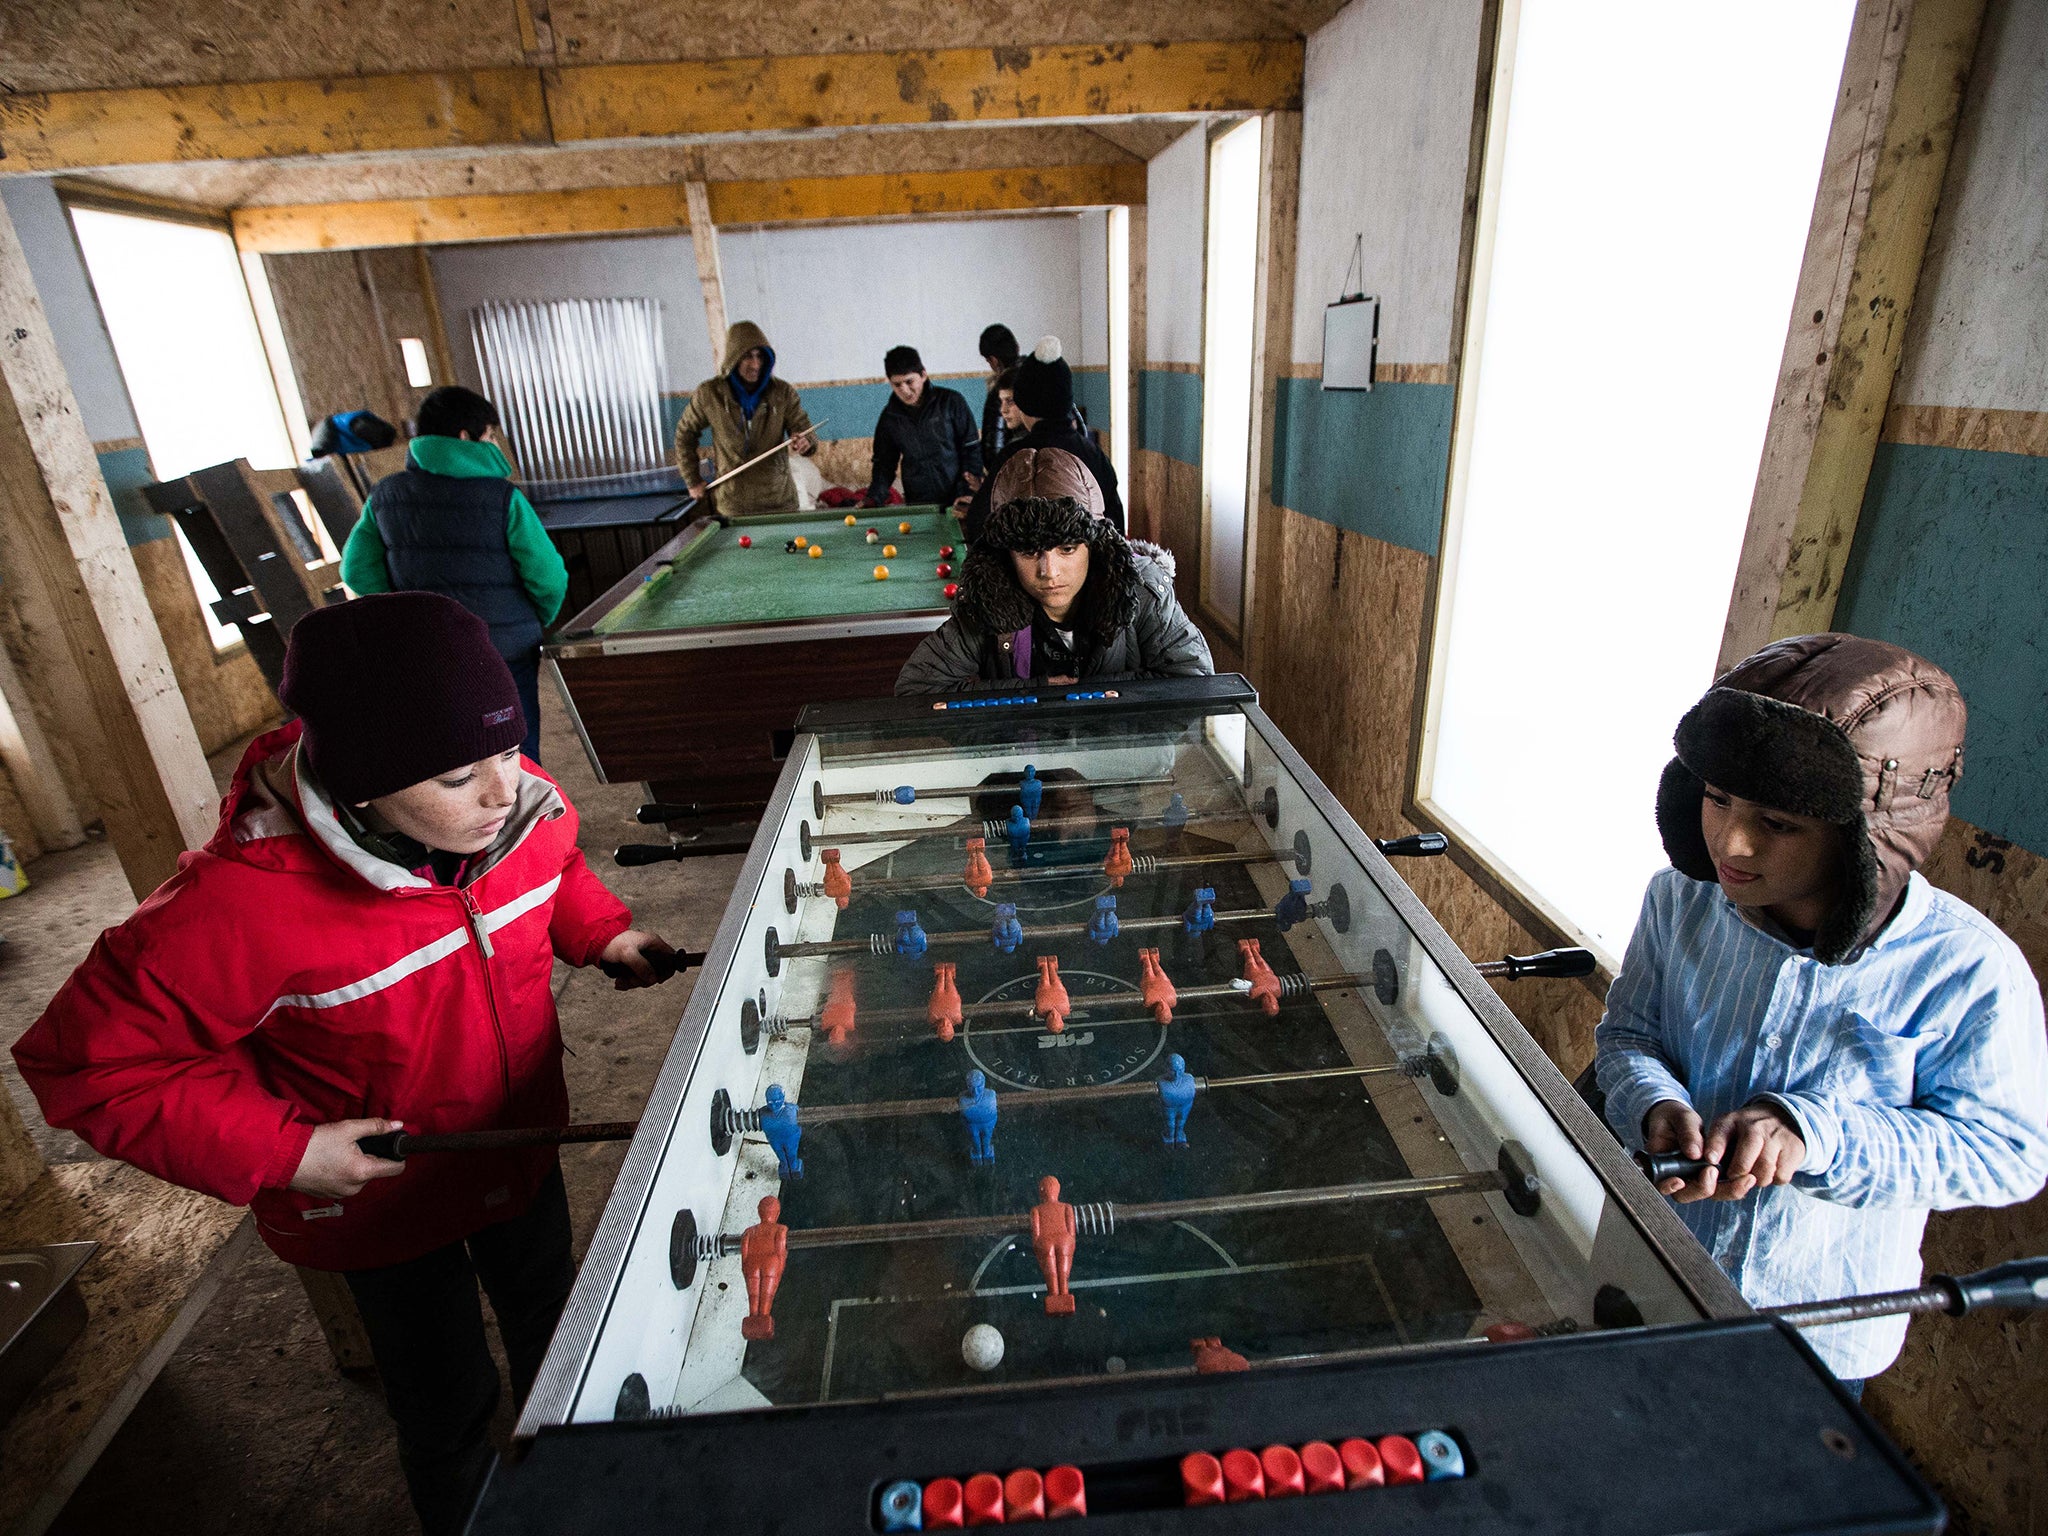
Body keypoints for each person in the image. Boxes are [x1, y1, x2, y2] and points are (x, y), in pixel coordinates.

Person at [11, 592, 678, 1536]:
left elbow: (554, 869)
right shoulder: (241, 906)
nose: (503, 788)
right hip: (376, 1203)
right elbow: (90, 1068)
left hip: (516, 1144)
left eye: (506, 749)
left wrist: (604, 935)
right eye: (459, 774)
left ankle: (581, 1480)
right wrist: (288, 1152)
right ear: (362, 782)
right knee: (447, 1398)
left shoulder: (510, 801)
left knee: (556, 1324)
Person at [1594, 633, 2048, 1393]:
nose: (1731, 842)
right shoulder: (1680, 900)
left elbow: (2009, 1152)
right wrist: (1653, 1102)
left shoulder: (1966, 968)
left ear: (1865, 837)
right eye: (1715, 799)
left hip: (1811, 1332)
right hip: (1649, 1274)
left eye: (1777, 823)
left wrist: (1818, 1134)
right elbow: (1629, 1038)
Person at [340, 385, 566, 763]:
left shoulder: (385, 494)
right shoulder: (504, 498)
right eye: (490, 435)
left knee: (451, 755)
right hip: (503, 652)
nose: (494, 443)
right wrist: (531, 620)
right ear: (466, 436)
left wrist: (401, 609)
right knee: (515, 752)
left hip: (426, 650)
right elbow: (548, 576)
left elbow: (356, 569)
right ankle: (526, 821)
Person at [895, 451, 1211, 693]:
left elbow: (1195, 680)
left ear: (1094, 545)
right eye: (1029, 551)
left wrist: (1084, 696)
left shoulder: (1141, 587)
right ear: (1006, 554)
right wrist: (1035, 693)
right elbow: (916, 688)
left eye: (1067, 549)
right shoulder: (990, 593)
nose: (1049, 571)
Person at [962, 335, 1123, 539]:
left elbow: (980, 522)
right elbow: (1115, 529)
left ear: (1024, 404)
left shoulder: (1014, 456)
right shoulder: (1095, 455)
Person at [673, 320, 817, 517]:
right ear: (734, 357)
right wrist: (692, 480)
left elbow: (805, 430)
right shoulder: (709, 394)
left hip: (779, 502)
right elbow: (684, 434)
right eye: (748, 356)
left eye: (760, 356)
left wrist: (805, 441)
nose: (756, 364)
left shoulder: (782, 392)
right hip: (734, 505)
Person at [866, 344, 983, 509]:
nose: (905, 390)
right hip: (919, 504)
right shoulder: (889, 418)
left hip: (960, 501)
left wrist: (966, 493)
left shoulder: (952, 402)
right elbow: (884, 464)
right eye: (897, 385)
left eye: (909, 381)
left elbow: (971, 450)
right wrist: (874, 498)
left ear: (923, 374)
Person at [977, 323, 1021, 464]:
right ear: (1017, 347)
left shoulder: (1001, 389)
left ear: (993, 360)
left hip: (1011, 471)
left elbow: (994, 448)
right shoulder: (1040, 377)